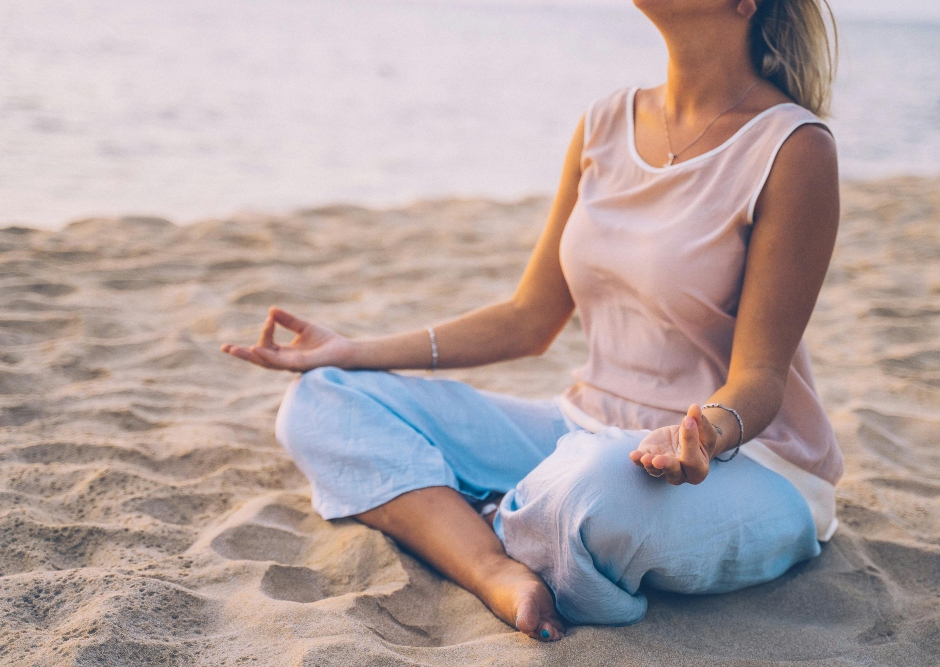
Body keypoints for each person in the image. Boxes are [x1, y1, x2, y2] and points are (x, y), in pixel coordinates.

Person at [221, 0, 843, 642]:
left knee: (596, 495)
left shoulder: (793, 149)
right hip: (579, 429)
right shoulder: (606, 122)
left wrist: (702, 435)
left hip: (738, 462)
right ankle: (493, 566)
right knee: (322, 400)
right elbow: (528, 318)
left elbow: (763, 376)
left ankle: (481, 508)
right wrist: (352, 350)